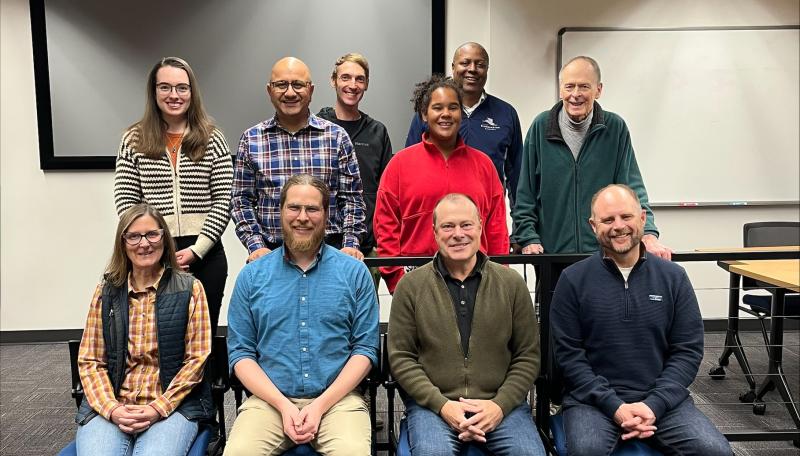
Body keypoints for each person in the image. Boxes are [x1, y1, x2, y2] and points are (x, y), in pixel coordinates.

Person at [550, 184, 732, 456]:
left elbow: (687, 351)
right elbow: (568, 356)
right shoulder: (572, 280)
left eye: (626, 216)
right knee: (587, 450)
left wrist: (653, 405)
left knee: (714, 451)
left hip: (662, 400)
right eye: (607, 220)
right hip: (592, 402)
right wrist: (615, 407)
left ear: (643, 218)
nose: (618, 226)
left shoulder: (673, 277)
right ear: (593, 226)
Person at [225, 174, 379, 455]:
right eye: (294, 208)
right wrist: (283, 406)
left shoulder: (355, 273)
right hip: (269, 403)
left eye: (312, 209)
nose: (302, 217)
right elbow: (241, 354)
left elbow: (365, 349)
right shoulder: (252, 276)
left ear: (326, 214)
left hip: (337, 402)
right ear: (280, 211)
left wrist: (319, 406)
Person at [388, 193, 545, 456]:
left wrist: (499, 405)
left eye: (466, 225)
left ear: (480, 227)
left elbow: (527, 355)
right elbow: (401, 357)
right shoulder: (411, 287)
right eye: (448, 226)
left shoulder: (511, 284)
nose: (458, 234)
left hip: (501, 406)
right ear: (435, 232)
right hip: (434, 407)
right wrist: (442, 406)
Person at [74, 203, 213, 456]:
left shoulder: (190, 289)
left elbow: (196, 361)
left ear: (164, 238)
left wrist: (158, 407)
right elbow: (90, 361)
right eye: (134, 236)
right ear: (123, 242)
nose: (144, 243)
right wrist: (112, 408)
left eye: (152, 234)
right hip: (114, 404)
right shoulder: (106, 292)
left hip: (172, 407)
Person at [114, 56, 233, 334]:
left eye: (182, 88)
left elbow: (224, 199)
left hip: (205, 252)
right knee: (159, 335)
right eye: (165, 87)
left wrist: (197, 250)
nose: (174, 95)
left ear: (192, 92)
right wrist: (154, 245)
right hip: (152, 250)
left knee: (202, 334)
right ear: (154, 92)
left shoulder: (212, 138)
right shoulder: (133, 139)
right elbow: (126, 200)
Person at [513, 56, 671, 260]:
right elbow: (525, 193)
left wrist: (647, 233)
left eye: (584, 86)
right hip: (551, 256)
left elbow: (632, 188)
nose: (575, 94)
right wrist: (528, 237)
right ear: (560, 90)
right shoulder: (540, 127)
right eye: (569, 86)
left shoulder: (615, 128)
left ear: (598, 90)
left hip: (604, 254)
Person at [374, 75, 509, 293]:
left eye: (453, 107)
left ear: (461, 114)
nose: (446, 114)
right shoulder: (399, 165)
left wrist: (498, 280)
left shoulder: (483, 165)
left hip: (477, 282)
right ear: (424, 114)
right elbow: (386, 227)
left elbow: (497, 229)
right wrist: (397, 281)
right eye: (437, 108)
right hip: (416, 282)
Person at [231, 57, 367, 264]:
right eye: (281, 85)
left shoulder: (336, 137)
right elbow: (241, 200)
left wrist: (350, 243)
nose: (290, 93)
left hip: (330, 256)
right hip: (272, 257)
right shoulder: (251, 140)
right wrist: (256, 245)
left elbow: (352, 199)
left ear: (310, 90)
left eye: (298, 85)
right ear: (269, 91)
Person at [405, 42, 523, 206]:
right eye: (465, 63)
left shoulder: (506, 113)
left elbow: (516, 174)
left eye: (480, 64)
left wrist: (520, 220)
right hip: (433, 213)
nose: (472, 69)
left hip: (486, 213)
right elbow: (409, 166)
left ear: (487, 70)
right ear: (453, 67)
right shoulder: (432, 113)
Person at [317, 53, 393, 288]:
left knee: (365, 308)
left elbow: (386, 193)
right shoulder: (317, 128)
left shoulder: (377, 132)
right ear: (333, 81)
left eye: (360, 79)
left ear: (366, 84)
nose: (352, 85)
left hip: (366, 249)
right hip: (320, 247)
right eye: (345, 77)